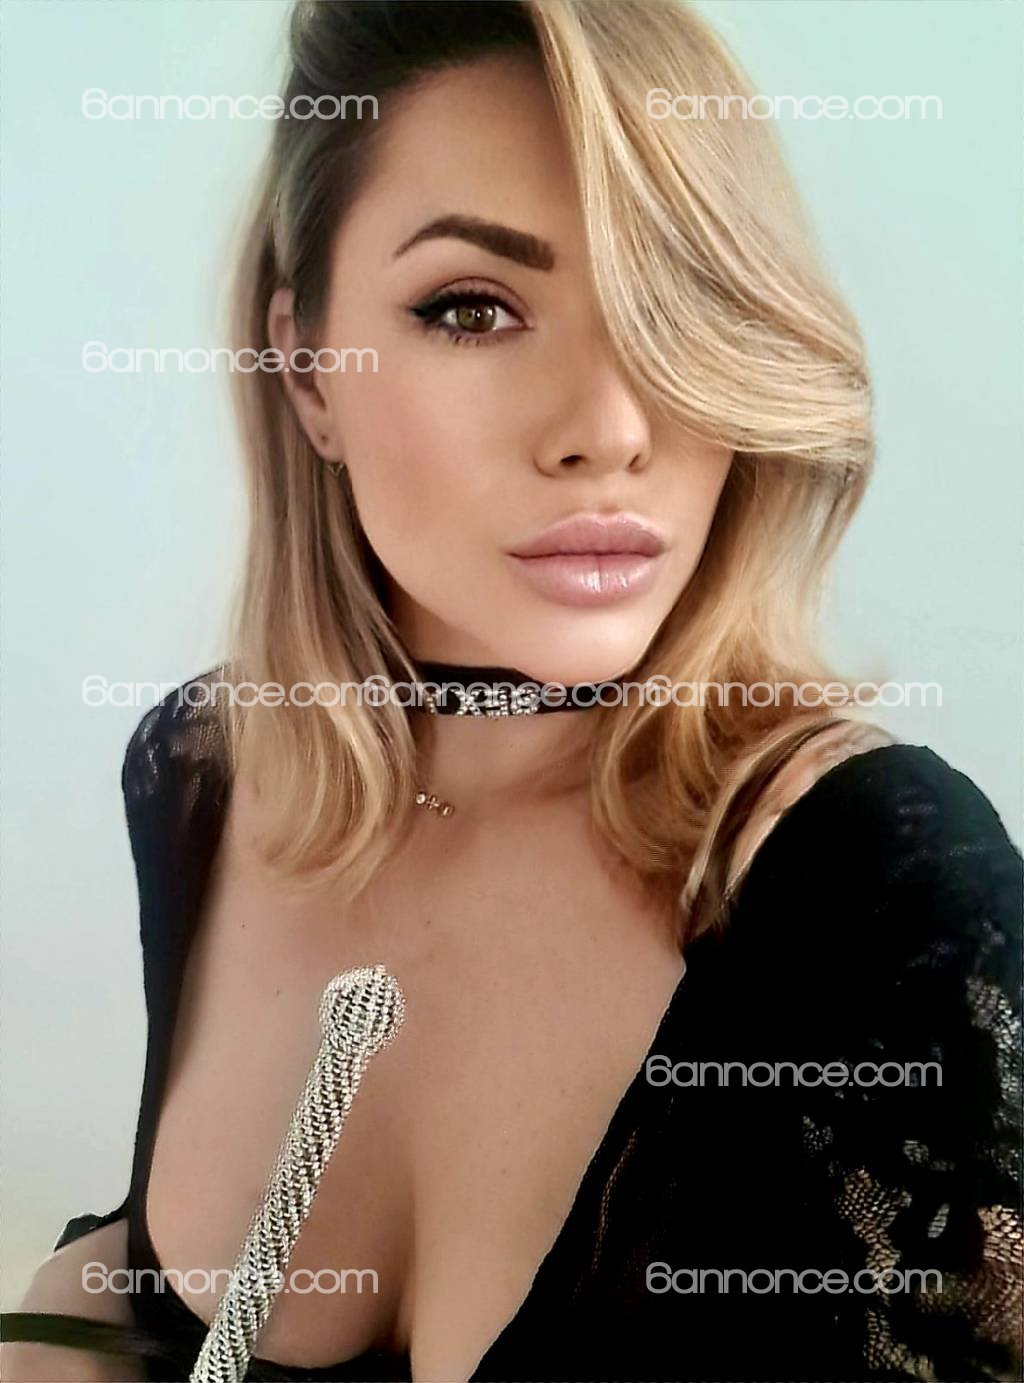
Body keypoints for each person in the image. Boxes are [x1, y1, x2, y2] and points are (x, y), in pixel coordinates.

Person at [4, 2, 1020, 1380]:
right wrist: (62, 1315)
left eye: (674, 305)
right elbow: (165, 1272)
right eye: (473, 310)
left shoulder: (883, 893)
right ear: (306, 370)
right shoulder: (213, 771)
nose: (609, 428)